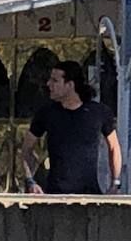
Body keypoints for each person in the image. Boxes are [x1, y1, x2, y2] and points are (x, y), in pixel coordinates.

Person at [21, 60, 122, 195]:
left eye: (55, 81)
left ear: (70, 85)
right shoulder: (46, 113)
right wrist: (30, 181)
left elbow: (114, 147)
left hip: (89, 195)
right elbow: (26, 149)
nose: (49, 84)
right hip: (55, 195)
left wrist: (115, 183)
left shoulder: (99, 112)